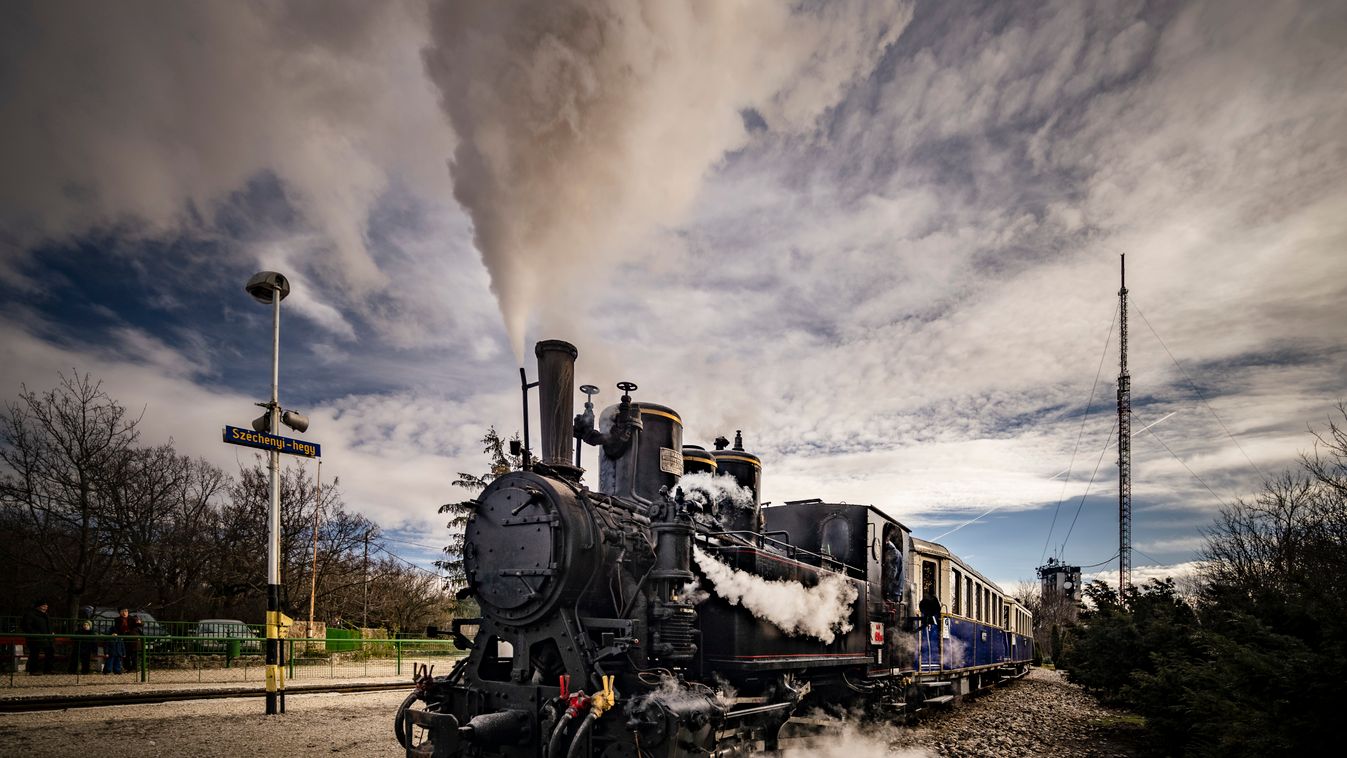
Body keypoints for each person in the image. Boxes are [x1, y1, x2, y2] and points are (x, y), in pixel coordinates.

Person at [19, 599, 55, 674]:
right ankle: (33, 670)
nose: (45, 608)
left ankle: (48, 670)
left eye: (46, 606)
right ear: (38, 607)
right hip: (35, 638)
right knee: (34, 654)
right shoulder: (30, 614)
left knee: (50, 652)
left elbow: (48, 625)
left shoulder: (46, 615)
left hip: (46, 638)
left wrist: (51, 632)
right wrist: (35, 633)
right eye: (43, 606)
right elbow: (26, 626)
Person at [103, 607, 135, 674]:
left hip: (130, 639)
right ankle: (111, 670)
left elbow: (139, 623)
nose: (124, 613)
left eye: (126, 611)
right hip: (121, 639)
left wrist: (139, 622)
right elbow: (107, 645)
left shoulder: (132, 619)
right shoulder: (118, 620)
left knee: (131, 654)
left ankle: (120, 670)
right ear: (120, 612)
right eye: (122, 611)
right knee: (115, 659)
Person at [66, 606, 95, 675]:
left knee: (85, 661)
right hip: (78, 648)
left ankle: (85, 672)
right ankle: (72, 671)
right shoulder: (79, 631)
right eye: (84, 625)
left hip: (86, 649)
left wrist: (94, 650)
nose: (85, 626)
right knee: (74, 659)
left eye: (87, 625)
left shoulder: (91, 633)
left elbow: (94, 642)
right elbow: (73, 638)